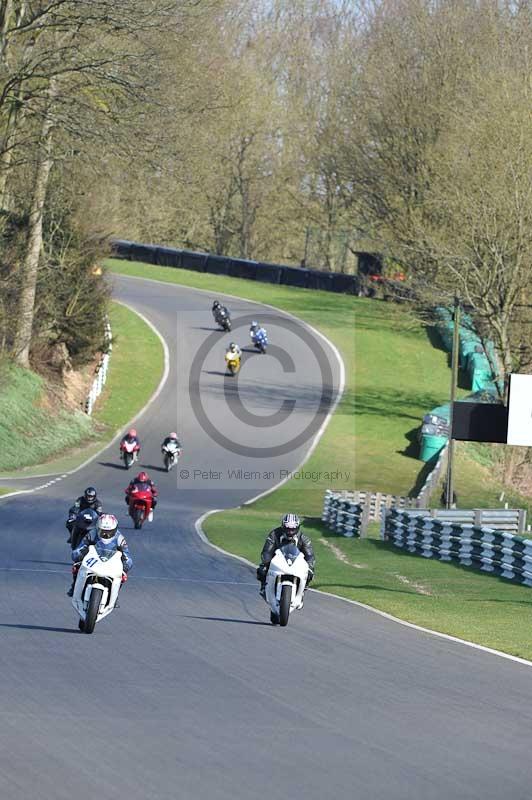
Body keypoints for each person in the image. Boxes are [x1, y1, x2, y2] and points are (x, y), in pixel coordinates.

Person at [67, 513, 132, 597]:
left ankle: (114, 595)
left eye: (109, 532)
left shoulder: (120, 538)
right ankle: (74, 586)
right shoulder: (92, 534)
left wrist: (125, 565)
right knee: (76, 567)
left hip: (110, 562)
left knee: (122, 576)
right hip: (94, 559)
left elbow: (128, 556)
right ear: (98, 528)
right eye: (103, 531)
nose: (106, 535)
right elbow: (78, 549)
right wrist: (81, 553)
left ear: (115, 530)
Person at [256, 513, 315, 599]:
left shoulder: (304, 539)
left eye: (293, 529)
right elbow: (267, 551)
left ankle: (301, 591)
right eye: (287, 529)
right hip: (277, 562)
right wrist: (266, 563)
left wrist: (310, 568)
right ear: (283, 527)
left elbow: (310, 556)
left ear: (297, 528)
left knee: (310, 574)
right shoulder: (274, 535)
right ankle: (264, 587)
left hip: (295, 563)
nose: (290, 532)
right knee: (261, 570)